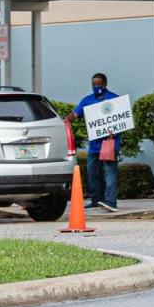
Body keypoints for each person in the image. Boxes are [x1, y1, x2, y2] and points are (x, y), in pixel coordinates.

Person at [65, 73, 120, 212]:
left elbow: (121, 120)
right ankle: (96, 200)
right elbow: (75, 113)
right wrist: (64, 121)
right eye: (93, 84)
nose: (96, 87)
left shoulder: (114, 99)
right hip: (94, 145)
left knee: (109, 172)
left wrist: (115, 131)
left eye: (98, 84)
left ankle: (111, 201)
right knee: (92, 173)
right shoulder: (87, 100)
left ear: (105, 84)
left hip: (109, 143)